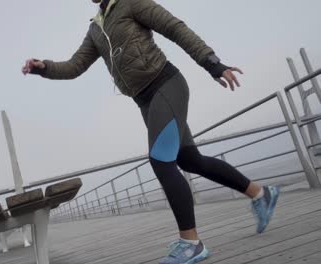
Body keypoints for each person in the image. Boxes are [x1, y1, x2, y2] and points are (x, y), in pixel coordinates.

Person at [21, 0, 280, 263]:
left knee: (161, 160)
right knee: (190, 160)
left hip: (166, 85)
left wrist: (211, 62)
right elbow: (75, 65)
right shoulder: (96, 29)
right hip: (145, 101)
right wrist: (46, 68)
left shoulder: (131, 3)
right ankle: (261, 193)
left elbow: (174, 28)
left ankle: (191, 243)